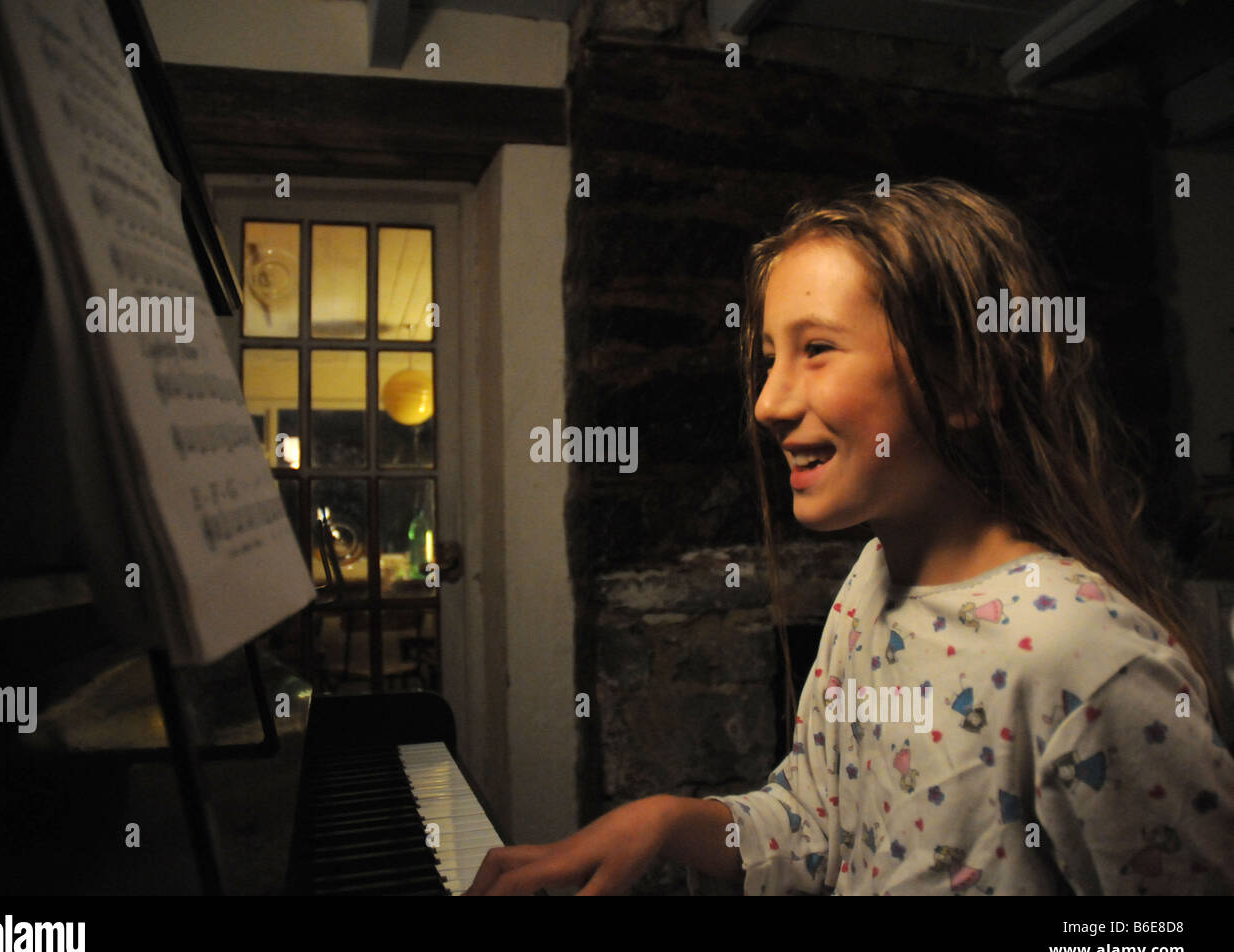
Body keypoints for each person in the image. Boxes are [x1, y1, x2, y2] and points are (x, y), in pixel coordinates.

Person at [465, 178, 1234, 896]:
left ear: (965, 377)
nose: (767, 402)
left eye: (817, 349)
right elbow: (818, 820)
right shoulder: (873, 577)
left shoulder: (1091, 663)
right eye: (769, 358)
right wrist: (666, 820)